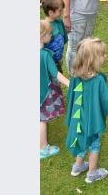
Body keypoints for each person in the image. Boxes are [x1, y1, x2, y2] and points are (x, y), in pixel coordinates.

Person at [64, 38, 108, 183]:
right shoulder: (98, 81)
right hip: (92, 120)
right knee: (94, 144)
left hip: (78, 119)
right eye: (102, 55)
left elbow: (71, 98)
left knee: (81, 138)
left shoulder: (75, 77)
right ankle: (92, 173)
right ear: (93, 59)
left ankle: (77, 167)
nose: (105, 57)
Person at [40, 20, 70, 159]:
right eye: (49, 34)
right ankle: (43, 148)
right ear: (42, 36)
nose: (51, 36)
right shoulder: (45, 55)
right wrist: (70, 84)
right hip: (44, 91)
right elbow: (56, 73)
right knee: (42, 120)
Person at [42, 0, 69, 67]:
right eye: (60, 11)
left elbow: (64, 38)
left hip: (58, 61)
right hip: (48, 63)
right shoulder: (44, 27)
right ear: (50, 12)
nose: (62, 12)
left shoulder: (59, 22)